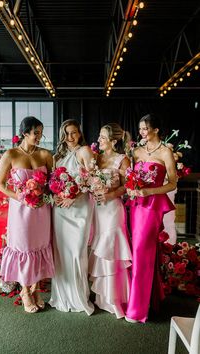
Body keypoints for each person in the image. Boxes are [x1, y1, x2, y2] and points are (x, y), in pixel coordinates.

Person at [0, 116, 54, 313]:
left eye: (40, 132)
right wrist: (19, 197)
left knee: (39, 247)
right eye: (35, 133)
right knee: (24, 247)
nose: (39, 136)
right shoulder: (11, 155)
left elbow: (52, 184)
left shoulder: (45, 154)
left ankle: (36, 288)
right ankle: (24, 291)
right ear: (25, 133)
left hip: (41, 210)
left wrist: (44, 194)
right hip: (21, 211)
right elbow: (0, 184)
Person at [125, 113, 177, 323]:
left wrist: (150, 192)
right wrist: (131, 189)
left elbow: (172, 183)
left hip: (152, 207)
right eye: (140, 129)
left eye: (145, 129)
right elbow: (130, 178)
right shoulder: (136, 151)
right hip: (136, 206)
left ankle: (137, 310)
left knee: (141, 251)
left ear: (155, 130)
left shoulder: (165, 152)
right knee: (138, 252)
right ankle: (150, 301)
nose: (142, 133)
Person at [49, 119, 95, 315]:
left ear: (80, 133)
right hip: (60, 209)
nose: (70, 137)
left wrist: (73, 196)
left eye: (74, 132)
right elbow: (52, 180)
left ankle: (79, 296)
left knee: (77, 251)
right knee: (61, 252)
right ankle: (62, 295)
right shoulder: (57, 156)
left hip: (79, 207)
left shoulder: (84, 151)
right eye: (66, 133)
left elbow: (92, 179)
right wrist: (57, 195)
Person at [88, 123, 132, 319]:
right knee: (100, 249)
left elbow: (127, 186)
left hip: (113, 209)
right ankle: (102, 298)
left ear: (114, 141)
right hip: (97, 210)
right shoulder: (95, 159)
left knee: (112, 250)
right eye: (99, 136)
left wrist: (110, 194)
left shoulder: (123, 160)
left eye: (103, 137)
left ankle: (115, 299)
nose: (99, 140)